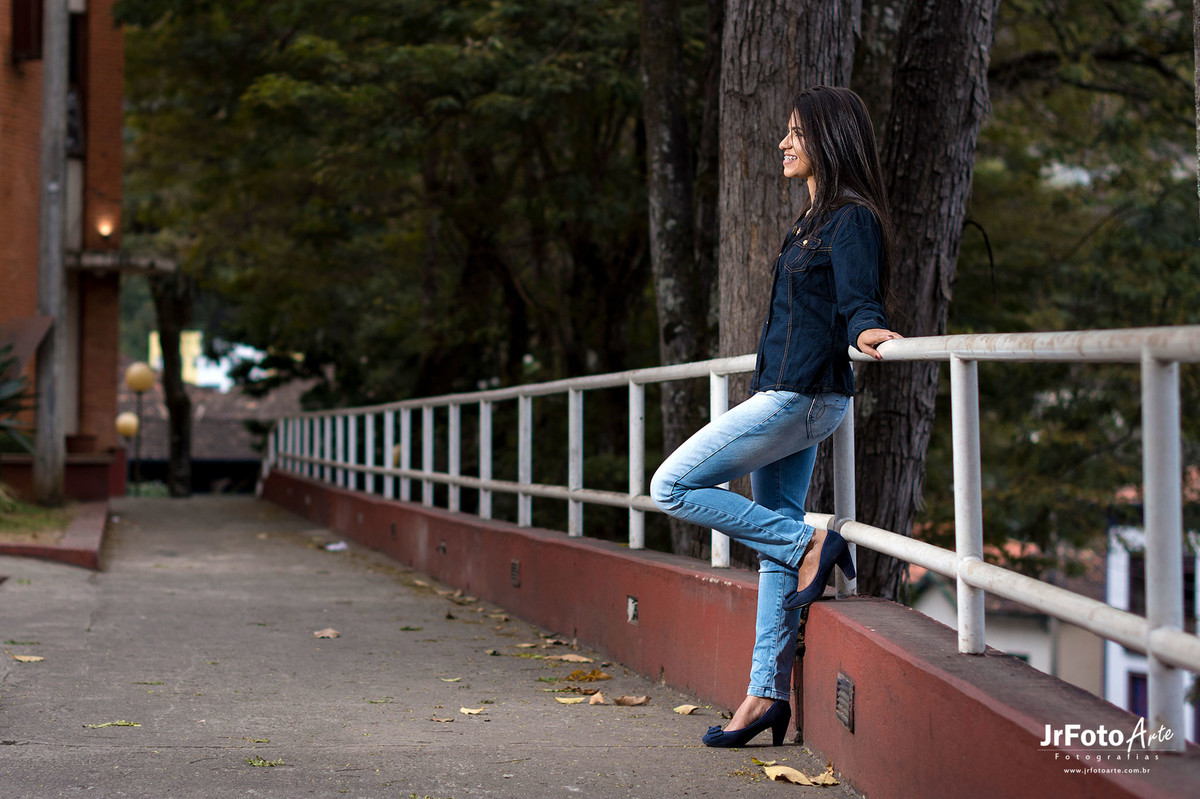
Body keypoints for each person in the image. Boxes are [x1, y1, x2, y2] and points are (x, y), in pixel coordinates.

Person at [650, 86, 902, 748]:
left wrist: (875, 332)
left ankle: (808, 546)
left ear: (831, 140)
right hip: (789, 393)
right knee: (772, 542)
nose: (783, 143)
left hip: (800, 397)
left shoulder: (851, 220)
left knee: (670, 486)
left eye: (796, 133)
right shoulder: (810, 221)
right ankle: (766, 692)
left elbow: (859, 303)